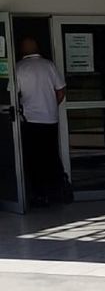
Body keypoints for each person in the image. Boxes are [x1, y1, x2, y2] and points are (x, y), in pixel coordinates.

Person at [15, 37, 68, 206]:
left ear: (22, 49)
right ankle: (56, 192)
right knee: (51, 156)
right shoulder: (49, 65)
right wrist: (51, 106)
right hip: (50, 119)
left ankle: (38, 194)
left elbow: (12, 94)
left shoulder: (19, 68)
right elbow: (60, 91)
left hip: (29, 120)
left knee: (33, 159)